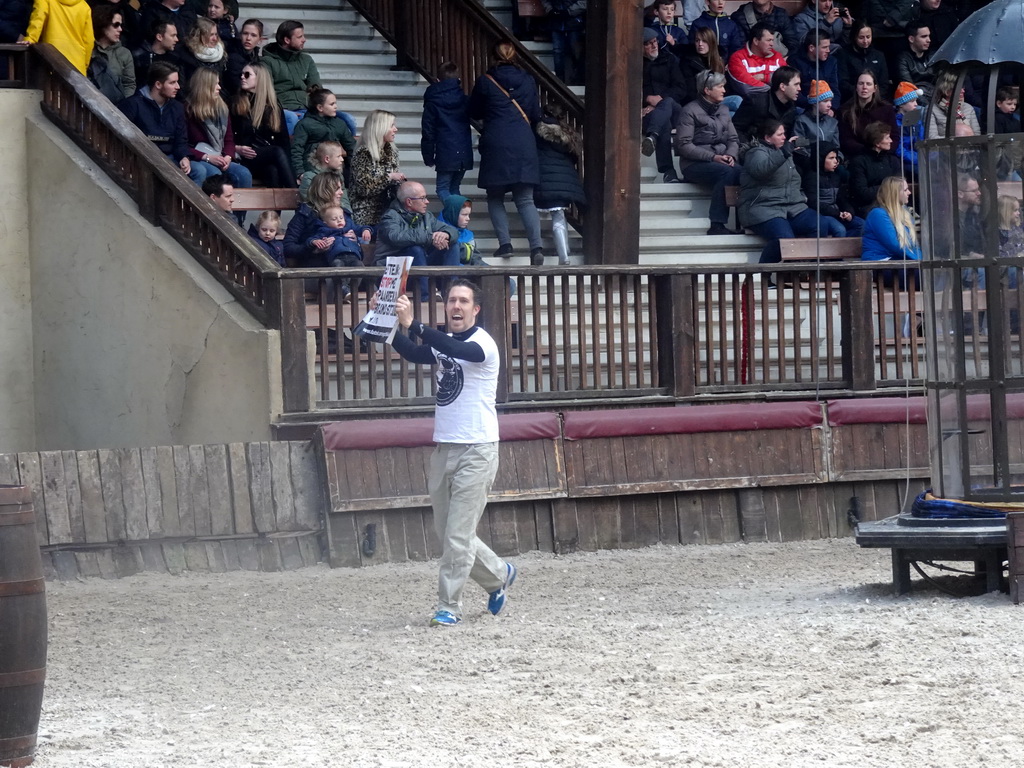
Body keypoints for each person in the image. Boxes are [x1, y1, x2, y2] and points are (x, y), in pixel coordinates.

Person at [387, 279, 516, 627]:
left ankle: (449, 606)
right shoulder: (445, 343)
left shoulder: (482, 343)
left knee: (457, 536)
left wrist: (414, 325)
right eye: (451, 301)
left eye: (463, 301)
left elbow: (455, 349)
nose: (456, 306)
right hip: (444, 447)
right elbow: (416, 353)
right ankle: (498, 574)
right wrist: (384, 326)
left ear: (475, 310)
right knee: (448, 533)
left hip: (478, 450)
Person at [469, 42, 546, 264]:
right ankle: (536, 248)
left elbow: (474, 110)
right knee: (525, 199)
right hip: (523, 141)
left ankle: (505, 244)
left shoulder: (486, 81)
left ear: (493, 57)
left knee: (495, 196)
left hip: (496, 141)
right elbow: (534, 112)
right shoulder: (528, 80)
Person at [738, 117, 842, 263]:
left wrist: (800, 154)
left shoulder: (784, 153)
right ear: (768, 138)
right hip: (763, 208)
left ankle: (805, 271)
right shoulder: (755, 153)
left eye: (784, 134)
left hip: (792, 207)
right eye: (779, 135)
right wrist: (785, 152)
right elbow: (761, 170)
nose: (784, 137)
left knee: (820, 224)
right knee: (784, 239)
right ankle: (764, 276)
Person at [676, 70, 741, 236]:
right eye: (720, 87)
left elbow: (733, 139)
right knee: (726, 172)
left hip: (721, 159)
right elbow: (684, 145)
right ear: (707, 90)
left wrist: (731, 156)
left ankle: (745, 222)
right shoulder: (689, 110)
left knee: (746, 172)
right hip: (694, 164)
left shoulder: (724, 110)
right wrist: (713, 157)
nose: (724, 91)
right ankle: (717, 225)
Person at [374, 181, 459, 297]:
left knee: (452, 245)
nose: (427, 202)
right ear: (409, 202)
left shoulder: (426, 216)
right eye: (422, 198)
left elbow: (453, 230)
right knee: (415, 250)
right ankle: (426, 296)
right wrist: (430, 237)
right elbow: (396, 237)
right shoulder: (390, 216)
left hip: (418, 272)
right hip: (393, 273)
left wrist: (446, 235)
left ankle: (452, 293)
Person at [118, 61, 198, 181]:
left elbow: (181, 140)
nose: (178, 87)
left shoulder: (177, 107)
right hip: (142, 157)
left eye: (177, 82)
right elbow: (123, 137)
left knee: (199, 171)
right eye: (172, 83)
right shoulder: (133, 104)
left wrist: (184, 157)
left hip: (170, 156)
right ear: (158, 84)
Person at [184, 67, 253, 199]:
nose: (219, 87)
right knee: (215, 174)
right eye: (215, 84)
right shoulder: (187, 110)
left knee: (243, 173)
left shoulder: (222, 109)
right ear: (204, 86)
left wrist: (227, 156)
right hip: (199, 157)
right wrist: (208, 157)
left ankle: (237, 219)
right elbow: (183, 144)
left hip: (219, 155)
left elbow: (229, 140)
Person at [534, 102, 586, 265]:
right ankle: (564, 254)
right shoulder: (568, 134)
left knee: (538, 213)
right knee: (559, 215)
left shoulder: (536, 132)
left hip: (544, 178)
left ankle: (547, 250)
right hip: (564, 181)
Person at [231, 62, 294, 188]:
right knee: (277, 151)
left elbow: (284, 140)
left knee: (273, 171)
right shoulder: (236, 102)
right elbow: (227, 134)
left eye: (247, 74)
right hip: (242, 156)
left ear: (260, 78)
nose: (242, 77)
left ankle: (276, 208)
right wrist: (237, 148)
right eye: (241, 74)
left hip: (264, 156)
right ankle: (297, 196)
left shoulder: (273, 105)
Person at [421, 61, 474, 204]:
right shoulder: (464, 99)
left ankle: (458, 214)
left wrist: (428, 156)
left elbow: (428, 131)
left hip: (445, 151)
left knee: (442, 188)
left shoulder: (433, 101)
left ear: (438, 80)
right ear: (458, 79)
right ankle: (461, 215)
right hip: (464, 150)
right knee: (454, 187)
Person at [641, 27, 687, 183]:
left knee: (666, 103)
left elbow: (681, 89)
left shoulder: (670, 59)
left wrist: (659, 100)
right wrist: (647, 98)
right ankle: (669, 172)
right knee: (664, 124)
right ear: (640, 47)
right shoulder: (634, 66)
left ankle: (652, 136)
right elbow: (628, 90)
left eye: (655, 42)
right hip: (648, 113)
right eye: (648, 44)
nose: (654, 46)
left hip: (675, 110)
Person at [261, 20, 320, 134]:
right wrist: (283, 109)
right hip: (283, 109)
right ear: (287, 40)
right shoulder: (267, 62)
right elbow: (267, 92)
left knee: (347, 119)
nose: (304, 40)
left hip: (307, 108)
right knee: (293, 119)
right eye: (300, 37)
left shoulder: (306, 60)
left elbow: (316, 88)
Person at [350, 109, 404, 228]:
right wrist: (389, 177)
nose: (396, 129)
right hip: (366, 215)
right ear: (381, 127)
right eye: (392, 125)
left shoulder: (393, 152)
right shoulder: (364, 153)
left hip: (389, 211)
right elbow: (363, 189)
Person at [290, 87, 357, 181]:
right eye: (331, 104)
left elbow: (351, 147)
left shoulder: (339, 124)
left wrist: (353, 170)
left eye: (335, 103)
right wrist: (300, 173)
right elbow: (297, 150)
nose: (336, 107)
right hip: (313, 169)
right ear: (320, 107)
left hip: (336, 170)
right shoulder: (305, 124)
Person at [861, 176, 921, 280]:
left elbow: (913, 245)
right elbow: (895, 244)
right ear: (895, 194)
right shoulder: (878, 214)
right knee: (928, 276)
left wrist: (924, 261)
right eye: (906, 190)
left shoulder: (906, 214)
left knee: (942, 273)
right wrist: (920, 262)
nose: (909, 193)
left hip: (900, 262)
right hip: (880, 264)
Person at [283, 171, 346, 267]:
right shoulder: (304, 214)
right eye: (337, 189)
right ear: (324, 191)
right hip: (314, 266)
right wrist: (313, 249)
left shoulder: (342, 212)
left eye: (341, 188)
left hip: (342, 262)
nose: (341, 193)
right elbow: (288, 247)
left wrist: (353, 238)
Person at [306, 204, 366, 301]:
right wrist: (315, 242)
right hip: (337, 257)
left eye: (341, 218)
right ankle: (345, 291)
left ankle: (350, 291)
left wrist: (366, 230)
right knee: (337, 267)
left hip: (353, 256)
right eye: (334, 219)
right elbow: (311, 239)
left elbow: (361, 228)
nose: (339, 220)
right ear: (326, 223)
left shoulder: (350, 227)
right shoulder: (324, 231)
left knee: (360, 267)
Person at [21, 0, 94, 75]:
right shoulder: (84, 6)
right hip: (77, 63)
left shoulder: (45, 1)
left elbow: (38, 18)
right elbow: (89, 40)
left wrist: (31, 38)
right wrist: (85, 64)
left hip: (52, 57)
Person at [803, 146, 863, 237]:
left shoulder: (836, 176)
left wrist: (849, 212)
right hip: (822, 215)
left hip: (838, 213)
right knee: (839, 230)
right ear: (821, 159)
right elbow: (813, 203)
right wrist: (837, 213)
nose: (836, 161)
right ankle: (837, 249)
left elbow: (842, 198)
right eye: (831, 158)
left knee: (862, 225)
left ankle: (844, 247)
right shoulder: (811, 177)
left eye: (836, 158)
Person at [838, 69, 898, 158]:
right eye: (861, 83)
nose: (864, 87)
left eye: (868, 84)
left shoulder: (887, 109)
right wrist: (868, 151)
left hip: (884, 156)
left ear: (875, 88)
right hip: (857, 157)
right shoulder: (845, 110)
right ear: (856, 87)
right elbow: (846, 140)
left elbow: (894, 137)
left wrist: (882, 152)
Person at [732, 64, 800, 142]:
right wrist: (749, 148)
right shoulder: (756, 102)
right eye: (796, 85)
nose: (799, 89)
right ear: (782, 87)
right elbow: (735, 129)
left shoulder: (792, 108)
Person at [847, 121, 902, 216]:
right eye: (887, 138)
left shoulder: (893, 160)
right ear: (877, 143)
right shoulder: (859, 162)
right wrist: (888, 187)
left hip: (893, 205)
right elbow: (862, 193)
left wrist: (880, 188)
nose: (891, 141)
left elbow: (899, 187)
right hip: (868, 207)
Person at [835, 19, 889, 104]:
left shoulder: (879, 55)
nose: (865, 41)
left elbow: (884, 83)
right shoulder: (843, 54)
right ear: (854, 37)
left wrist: (873, 98)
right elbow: (843, 82)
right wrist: (861, 95)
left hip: (876, 100)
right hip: (851, 100)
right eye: (861, 37)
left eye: (868, 37)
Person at [727, 22, 787, 95]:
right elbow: (746, 87)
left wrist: (765, 77)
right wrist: (775, 92)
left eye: (772, 40)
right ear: (756, 41)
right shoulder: (738, 58)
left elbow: (787, 79)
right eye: (768, 40)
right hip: (749, 104)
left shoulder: (777, 56)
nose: (772, 44)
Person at [90, 4, 135, 99]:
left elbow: (129, 84)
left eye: (121, 25)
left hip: (115, 107)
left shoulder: (124, 54)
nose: (120, 29)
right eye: (116, 25)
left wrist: (123, 105)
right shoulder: (88, 48)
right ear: (103, 24)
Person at [789, 31, 839, 110]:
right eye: (824, 47)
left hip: (826, 107)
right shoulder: (795, 61)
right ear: (811, 48)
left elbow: (834, 89)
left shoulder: (832, 62)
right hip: (803, 107)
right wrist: (812, 107)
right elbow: (794, 90)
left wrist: (832, 108)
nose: (828, 50)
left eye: (828, 47)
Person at [541, 0, 586, 86]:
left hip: (574, 22)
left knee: (577, 52)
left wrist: (568, 12)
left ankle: (578, 79)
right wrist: (550, 10)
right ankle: (559, 81)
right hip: (556, 22)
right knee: (557, 51)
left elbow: (584, 3)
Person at [730, 0, 796, 57]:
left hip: (777, 63)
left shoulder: (781, 15)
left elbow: (793, 44)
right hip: (751, 63)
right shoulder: (740, 16)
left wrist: (786, 59)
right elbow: (739, 47)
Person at [926, 70, 981, 139]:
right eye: (959, 88)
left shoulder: (968, 108)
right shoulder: (932, 110)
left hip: (969, 148)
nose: (963, 91)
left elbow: (977, 136)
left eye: (963, 87)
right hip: (944, 149)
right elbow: (931, 138)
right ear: (946, 90)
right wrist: (956, 140)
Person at [175, 16, 225, 90]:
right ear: (198, 35)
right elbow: (183, 85)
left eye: (216, 34)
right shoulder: (185, 55)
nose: (215, 38)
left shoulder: (221, 53)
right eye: (211, 35)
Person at [297, 141, 349, 208]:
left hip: (338, 215)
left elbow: (345, 201)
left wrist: (346, 215)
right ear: (327, 159)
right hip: (317, 216)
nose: (342, 159)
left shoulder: (339, 177)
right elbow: (311, 202)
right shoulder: (309, 177)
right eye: (338, 156)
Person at [794, 80, 839, 152]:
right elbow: (800, 147)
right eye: (825, 101)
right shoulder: (802, 122)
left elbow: (836, 147)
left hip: (829, 160)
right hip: (809, 161)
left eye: (830, 101)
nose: (830, 105)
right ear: (814, 103)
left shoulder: (832, 122)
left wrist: (838, 158)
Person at [132, 18, 179, 87]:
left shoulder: (175, 59)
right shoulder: (139, 57)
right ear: (159, 37)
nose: (177, 39)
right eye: (173, 35)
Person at [896, 21, 934, 103]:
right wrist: (929, 107)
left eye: (929, 36)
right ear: (911, 39)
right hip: (915, 102)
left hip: (936, 98)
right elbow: (908, 87)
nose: (929, 40)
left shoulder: (933, 55)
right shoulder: (903, 59)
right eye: (924, 36)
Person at [223, 18, 262, 98]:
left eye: (253, 35)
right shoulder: (232, 55)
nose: (248, 38)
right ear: (240, 35)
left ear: (259, 40)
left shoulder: (255, 55)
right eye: (245, 33)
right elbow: (235, 86)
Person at [893, 81, 924, 176]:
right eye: (912, 101)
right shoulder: (895, 123)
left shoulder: (917, 120)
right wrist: (918, 158)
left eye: (916, 101)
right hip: (904, 161)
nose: (916, 104)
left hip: (919, 158)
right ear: (901, 104)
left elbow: (922, 141)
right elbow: (898, 149)